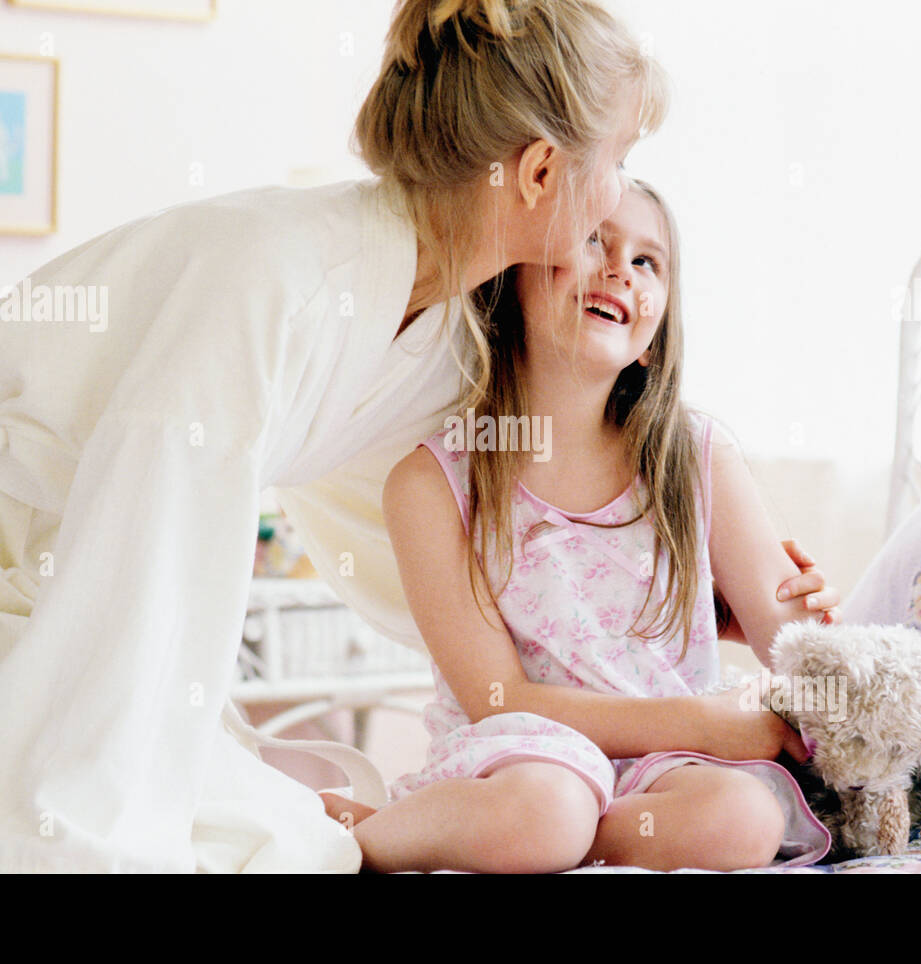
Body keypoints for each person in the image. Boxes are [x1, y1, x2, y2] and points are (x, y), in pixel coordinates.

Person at [0, 0, 682, 872]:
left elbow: (480, 512)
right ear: (541, 172)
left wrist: (683, 601)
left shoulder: (450, 331)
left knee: (285, 830)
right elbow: (148, 528)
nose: (620, 193)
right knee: (246, 842)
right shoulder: (279, 278)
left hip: (72, 562)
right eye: (619, 162)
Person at [319, 179, 843, 873]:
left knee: (743, 818)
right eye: (594, 238)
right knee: (548, 809)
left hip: (664, 766)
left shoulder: (697, 457)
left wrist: (807, 623)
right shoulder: (431, 483)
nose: (621, 268)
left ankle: (529, 845)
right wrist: (705, 723)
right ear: (511, 281)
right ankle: (363, 841)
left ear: (654, 339)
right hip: (525, 754)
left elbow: (807, 655)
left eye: (648, 261)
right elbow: (498, 700)